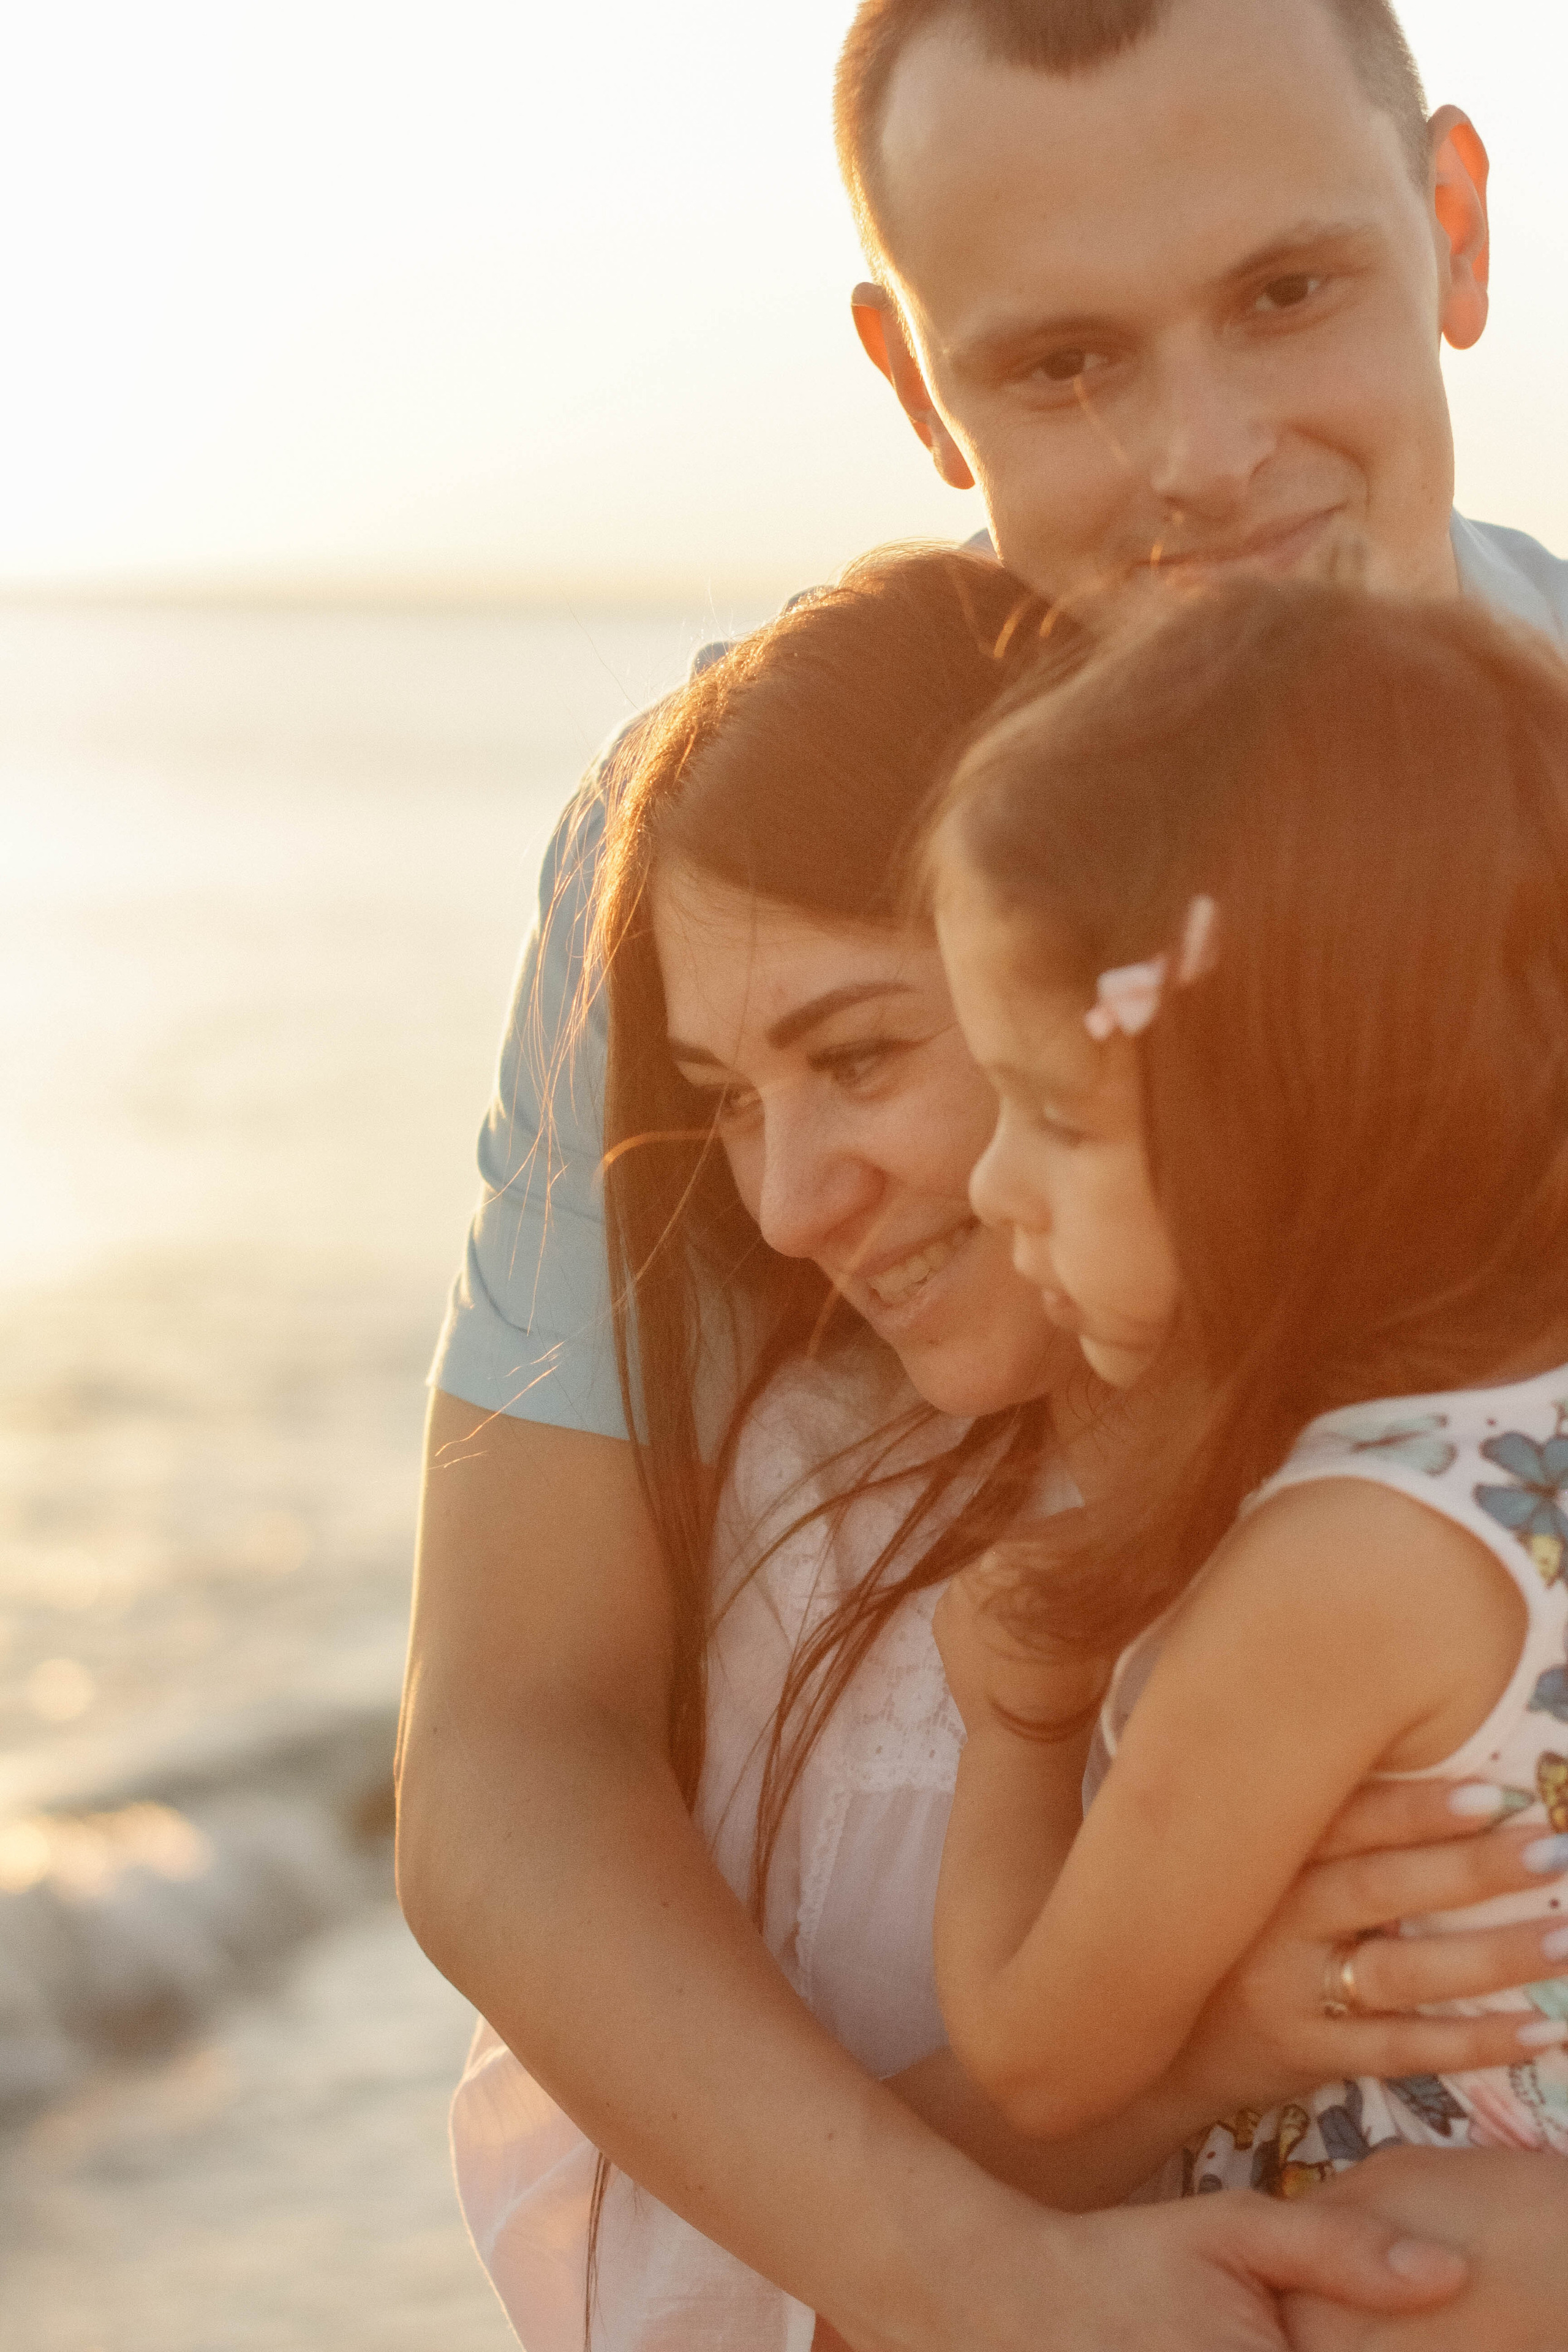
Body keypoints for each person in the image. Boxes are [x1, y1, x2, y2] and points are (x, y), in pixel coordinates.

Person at [396, 1, 1568, 2340]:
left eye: (1285, 293)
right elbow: (509, 1742)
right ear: (916, 385)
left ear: (1445, 224)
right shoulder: (744, 829)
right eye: (1059, 365)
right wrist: (968, 2275)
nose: (1211, 460)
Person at [927, 576, 1568, 2191]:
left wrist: (1019, 1712)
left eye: (1057, 1117)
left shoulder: (1346, 1565)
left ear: (1303, 1128)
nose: (992, 1187)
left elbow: (1043, 2059)